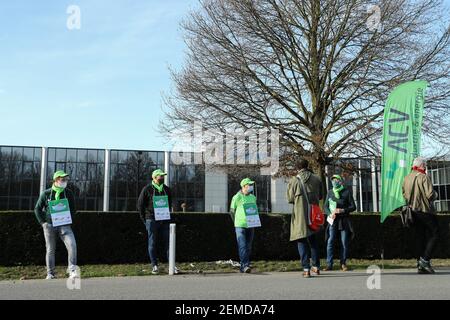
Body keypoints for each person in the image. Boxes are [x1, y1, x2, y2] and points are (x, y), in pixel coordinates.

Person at [34, 170, 78, 280]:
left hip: (65, 226)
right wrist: (43, 223)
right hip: (49, 226)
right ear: (56, 180)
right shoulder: (46, 193)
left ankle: (72, 270)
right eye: (63, 179)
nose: (65, 181)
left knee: (72, 245)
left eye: (66, 179)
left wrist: (68, 219)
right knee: (50, 249)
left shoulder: (69, 193)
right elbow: (37, 209)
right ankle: (50, 273)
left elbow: (73, 209)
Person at [286, 159, 323, 278]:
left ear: (297, 167)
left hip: (300, 216)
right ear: (308, 166)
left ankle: (306, 269)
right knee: (313, 241)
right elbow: (322, 196)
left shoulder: (294, 180)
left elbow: (290, 199)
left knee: (301, 241)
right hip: (313, 215)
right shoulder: (317, 179)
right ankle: (316, 267)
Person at [403, 157, 439, 274]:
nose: (426, 167)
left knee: (420, 236)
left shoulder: (407, 178)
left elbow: (404, 194)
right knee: (435, 233)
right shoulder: (423, 177)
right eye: (425, 165)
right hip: (424, 210)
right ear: (422, 165)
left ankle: (420, 264)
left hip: (412, 211)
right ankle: (425, 260)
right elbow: (430, 195)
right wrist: (436, 194)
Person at [138, 169, 178, 275]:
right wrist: (145, 219)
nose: (162, 178)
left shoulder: (167, 189)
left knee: (169, 243)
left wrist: (167, 215)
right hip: (151, 220)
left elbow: (169, 204)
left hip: (164, 220)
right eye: (160, 176)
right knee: (152, 243)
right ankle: (154, 265)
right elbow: (140, 205)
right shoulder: (147, 189)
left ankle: (172, 265)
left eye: (163, 176)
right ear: (154, 177)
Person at [323, 174, 356, 272]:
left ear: (340, 181)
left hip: (344, 220)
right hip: (333, 221)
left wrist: (342, 210)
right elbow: (325, 206)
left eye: (336, 180)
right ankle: (329, 264)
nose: (334, 182)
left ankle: (343, 263)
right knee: (330, 241)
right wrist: (329, 213)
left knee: (344, 242)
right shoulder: (329, 192)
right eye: (332, 180)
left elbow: (353, 207)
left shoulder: (346, 192)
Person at [230, 178, 259, 273]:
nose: (251, 187)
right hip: (240, 225)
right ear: (243, 186)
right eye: (249, 185)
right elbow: (231, 211)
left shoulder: (253, 197)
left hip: (251, 225)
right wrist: (236, 221)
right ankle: (245, 265)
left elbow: (255, 211)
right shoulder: (237, 197)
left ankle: (243, 265)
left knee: (248, 246)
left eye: (251, 185)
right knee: (242, 246)